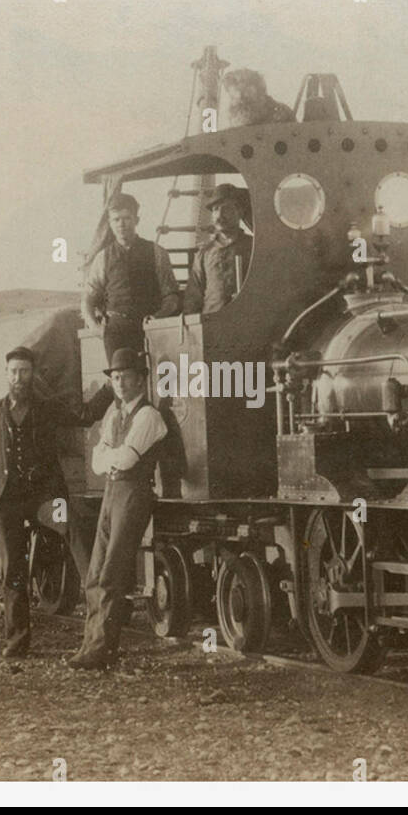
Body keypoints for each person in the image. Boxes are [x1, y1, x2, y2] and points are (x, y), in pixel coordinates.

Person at [0, 346, 113, 658]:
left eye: (25, 371)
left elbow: (85, 416)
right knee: (13, 569)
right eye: (14, 372)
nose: (19, 377)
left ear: (33, 375)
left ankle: (101, 613)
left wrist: (112, 385)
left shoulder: (48, 407)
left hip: (45, 495)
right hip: (7, 500)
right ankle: (16, 642)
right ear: (6, 375)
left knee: (75, 532)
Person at [66, 348, 168, 670]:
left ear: (141, 379)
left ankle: (101, 650)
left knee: (111, 574)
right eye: (115, 377)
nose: (120, 383)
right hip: (113, 492)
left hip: (134, 494)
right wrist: (112, 456)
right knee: (94, 572)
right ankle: (92, 645)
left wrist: (111, 456)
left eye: (126, 376)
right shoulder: (115, 414)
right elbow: (97, 462)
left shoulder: (149, 417)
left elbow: (125, 459)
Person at [82, 192, 181, 358]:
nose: (122, 224)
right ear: (110, 223)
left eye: (127, 218)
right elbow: (88, 298)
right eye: (116, 219)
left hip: (150, 329)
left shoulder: (157, 252)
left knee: (150, 378)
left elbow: (172, 297)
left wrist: (158, 317)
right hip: (116, 332)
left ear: (136, 220)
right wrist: (95, 327)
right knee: (120, 377)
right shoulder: (103, 257)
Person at [184, 183, 254, 315]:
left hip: (246, 322)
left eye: (226, 209)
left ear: (239, 212)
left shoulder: (253, 247)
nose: (220, 215)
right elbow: (193, 298)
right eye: (215, 209)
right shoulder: (204, 253)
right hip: (211, 326)